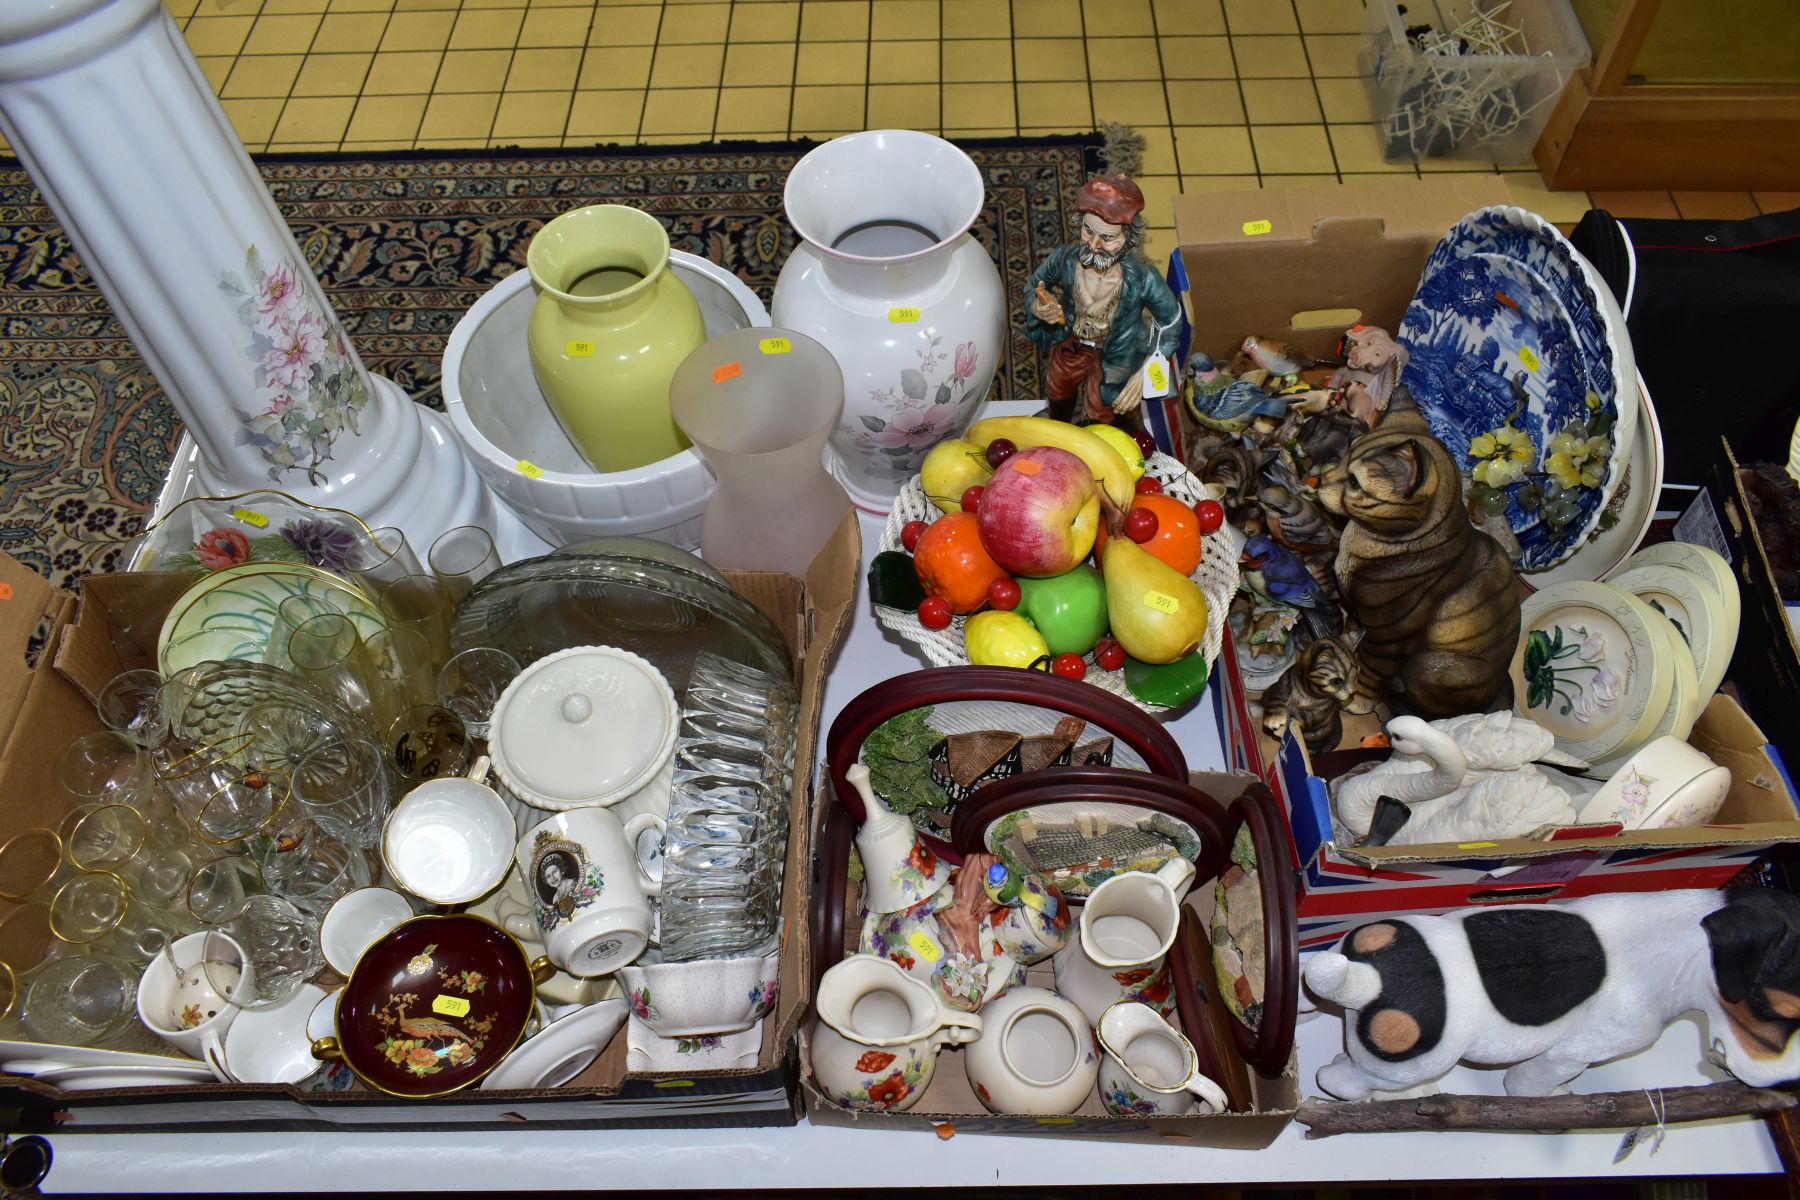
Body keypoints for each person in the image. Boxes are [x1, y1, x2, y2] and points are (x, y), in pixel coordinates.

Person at [1023, 173, 1182, 433]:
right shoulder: (1065, 258)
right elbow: (1034, 285)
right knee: (1057, 390)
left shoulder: (1143, 278)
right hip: (1070, 345)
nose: (1094, 244)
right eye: (1088, 230)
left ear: (1129, 238)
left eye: (1107, 238)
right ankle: (1058, 428)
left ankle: (1098, 439)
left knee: (1103, 412)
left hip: (1115, 355)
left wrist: (1147, 370)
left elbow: (1171, 322)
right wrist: (1038, 306)